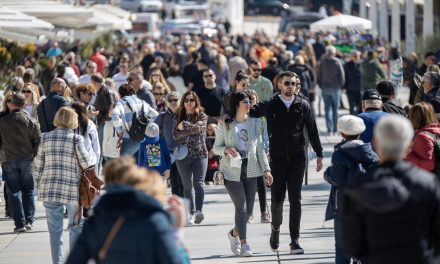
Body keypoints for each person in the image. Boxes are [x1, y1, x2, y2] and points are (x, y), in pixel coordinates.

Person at [341, 115, 440, 263]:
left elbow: (351, 245)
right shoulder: (428, 183)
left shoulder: (357, 187)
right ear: (409, 145)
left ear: (376, 143)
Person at [249, 71, 324, 254]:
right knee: (277, 199)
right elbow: (250, 112)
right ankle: (275, 229)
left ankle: (294, 240)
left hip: (298, 158)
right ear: (280, 85)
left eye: (293, 83)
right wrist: (235, 110)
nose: (290, 86)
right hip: (278, 159)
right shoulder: (271, 104)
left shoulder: (302, 104)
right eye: (287, 83)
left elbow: (312, 131)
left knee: (295, 200)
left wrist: (320, 154)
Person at [66, 157, 186, 264]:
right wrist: (176, 233)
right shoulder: (155, 219)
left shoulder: (96, 221)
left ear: (108, 183)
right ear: (138, 182)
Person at [213, 91, 273, 257]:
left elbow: (260, 147)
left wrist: (266, 169)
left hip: (251, 167)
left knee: (247, 213)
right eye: (245, 101)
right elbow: (215, 147)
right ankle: (244, 243)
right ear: (236, 104)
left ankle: (233, 234)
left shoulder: (254, 122)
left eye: (249, 101)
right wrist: (225, 149)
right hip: (231, 169)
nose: (248, 104)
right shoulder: (225, 123)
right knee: (241, 205)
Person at [34, 107, 93, 264]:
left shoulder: (45, 138)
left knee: (55, 231)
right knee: (75, 226)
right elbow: (87, 164)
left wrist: (40, 183)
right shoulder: (76, 139)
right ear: (73, 120)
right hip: (72, 190)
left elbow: (38, 165)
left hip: (50, 189)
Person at [323, 115, 379, 264]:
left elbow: (337, 180)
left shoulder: (340, 154)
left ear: (342, 133)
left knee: (342, 249)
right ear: (360, 133)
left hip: (345, 206)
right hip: (368, 205)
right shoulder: (371, 153)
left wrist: (327, 174)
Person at [0, 93, 40, 232]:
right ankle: (29, 220)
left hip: (9, 159)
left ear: (12, 103)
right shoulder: (30, 120)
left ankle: (20, 223)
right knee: (28, 191)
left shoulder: (3, 121)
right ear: (23, 105)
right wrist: (32, 154)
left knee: (14, 192)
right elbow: (37, 140)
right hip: (26, 158)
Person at [172, 91, 208, 224]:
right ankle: (191, 213)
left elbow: (199, 128)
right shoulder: (178, 115)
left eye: (191, 100)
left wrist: (184, 126)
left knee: (198, 184)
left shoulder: (202, 115)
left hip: (200, 154)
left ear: (196, 101)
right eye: (186, 100)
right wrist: (186, 128)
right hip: (183, 155)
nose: (189, 102)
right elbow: (175, 135)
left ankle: (199, 211)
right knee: (187, 186)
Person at [112, 84, 158, 157]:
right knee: (150, 165)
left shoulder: (121, 103)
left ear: (120, 94)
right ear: (134, 92)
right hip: (146, 138)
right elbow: (156, 116)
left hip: (130, 139)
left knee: (123, 165)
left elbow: (115, 114)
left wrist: (119, 131)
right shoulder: (143, 102)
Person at [246, 89, 271, 223]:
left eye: (253, 99)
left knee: (261, 181)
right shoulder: (242, 116)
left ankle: (263, 212)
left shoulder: (262, 117)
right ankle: (249, 212)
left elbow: (265, 135)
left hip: (260, 151)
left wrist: (267, 150)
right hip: (245, 153)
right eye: (247, 99)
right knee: (248, 183)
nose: (250, 102)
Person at [155, 91, 184, 197]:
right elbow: (151, 129)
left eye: (175, 100)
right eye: (170, 100)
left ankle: (186, 208)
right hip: (169, 154)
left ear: (180, 101)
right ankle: (177, 206)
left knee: (183, 183)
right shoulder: (162, 116)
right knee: (174, 183)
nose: (173, 102)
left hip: (183, 152)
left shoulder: (185, 114)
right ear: (166, 103)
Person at [317, 45, 345, 135]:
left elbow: (319, 76)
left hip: (325, 87)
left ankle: (329, 129)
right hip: (335, 87)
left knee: (327, 109)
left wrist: (320, 85)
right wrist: (340, 85)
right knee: (335, 110)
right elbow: (342, 76)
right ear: (334, 53)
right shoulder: (337, 62)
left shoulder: (323, 62)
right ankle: (335, 130)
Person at [406, 102, 440, 173]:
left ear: (414, 117)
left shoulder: (423, 137)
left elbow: (429, 165)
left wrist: (408, 155)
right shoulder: (436, 130)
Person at [71, 103, 100, 171]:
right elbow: (96, 147)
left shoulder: (68, 126)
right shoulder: (90, 125)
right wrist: (96, 163)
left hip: (74, 165)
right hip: (90, 163)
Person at [343, 50, 362, 115]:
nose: (356, 57)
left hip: (360, 88)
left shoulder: (362, 64)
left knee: (360, 106)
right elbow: (344, 77)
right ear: (351, 57)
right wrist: (344, 87)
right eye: (355, 56)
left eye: (358, 56)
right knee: (351, 106)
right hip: (350, 89)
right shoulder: (347, 65)